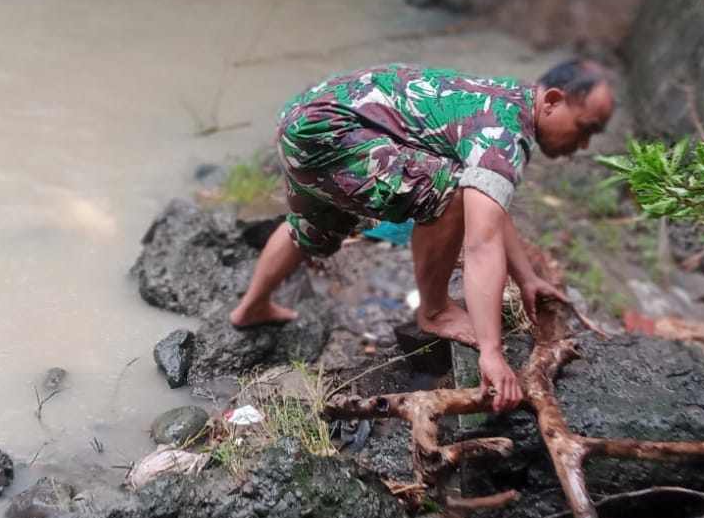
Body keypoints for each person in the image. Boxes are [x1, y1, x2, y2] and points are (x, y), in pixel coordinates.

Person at [230, 60, 615, 410]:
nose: (583, 146)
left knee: (312, 228)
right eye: (585, 129)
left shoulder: (508, 100)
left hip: (305, 119)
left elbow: (491, 206)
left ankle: (252, 308)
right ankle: (435, 310)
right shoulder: (503, 135)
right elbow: (481, 243)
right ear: (551, 101)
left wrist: (526, 278)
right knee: (447, 194)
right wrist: (492, 353)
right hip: (334, 133)